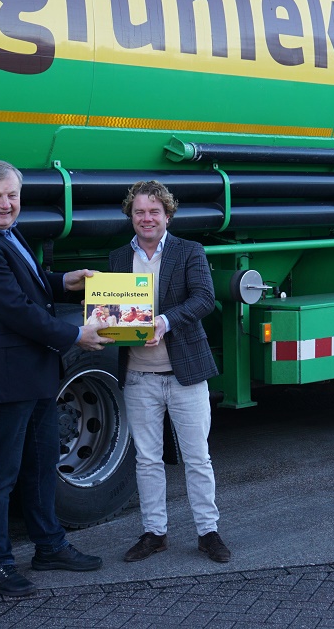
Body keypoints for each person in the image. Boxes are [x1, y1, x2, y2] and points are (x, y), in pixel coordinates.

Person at [0, 160, 113, 597]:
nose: (6, 204)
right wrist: (77, 334)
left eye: (12, 196)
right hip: (6, 377)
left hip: (34, 370)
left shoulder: (4, 232)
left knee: (41, 465)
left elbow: (30, 286)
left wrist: (64, 282)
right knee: (0, 474)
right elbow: (15, 310)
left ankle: (49, 545)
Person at [109, 180, 231, 564]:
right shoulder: (116, 258)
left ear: (167, 215)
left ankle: (208, 532)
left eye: (154, 212)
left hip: (185, 374)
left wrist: (164, 320)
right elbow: (115, 313)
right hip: (138, 377)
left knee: (197, 457)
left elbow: (204, 299)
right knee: (146, 459)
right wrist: (105, 327)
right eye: (139, 212)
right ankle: (154, 533)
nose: (146, 218)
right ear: (131, 214)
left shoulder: (189, 251)